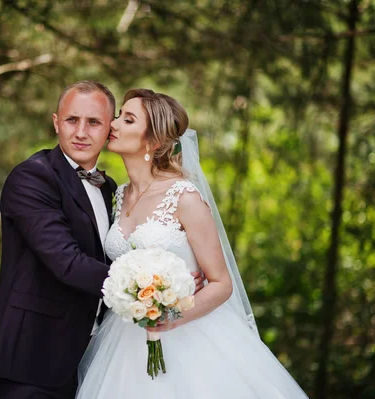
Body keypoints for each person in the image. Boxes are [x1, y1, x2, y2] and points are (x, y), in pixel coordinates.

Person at [77, 89, 309, 398]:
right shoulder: (118, 195)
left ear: (154, 141)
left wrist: (169, 319)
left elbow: (221, 283)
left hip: (188, 338)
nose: (113, 124)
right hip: (123, 341)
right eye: (119, 115)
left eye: (127, 119)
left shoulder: (183, 197)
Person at [0, 81, 203, 399]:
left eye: (94, 122)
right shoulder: (33, 176)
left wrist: (174, 281)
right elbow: (67, 262)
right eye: (72, 120)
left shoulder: (112, 189)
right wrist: (156, 289)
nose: (81, 132)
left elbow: (116, 256)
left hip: (91, 358)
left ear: (109, 129)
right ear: (56, 122)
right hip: (31, 359)